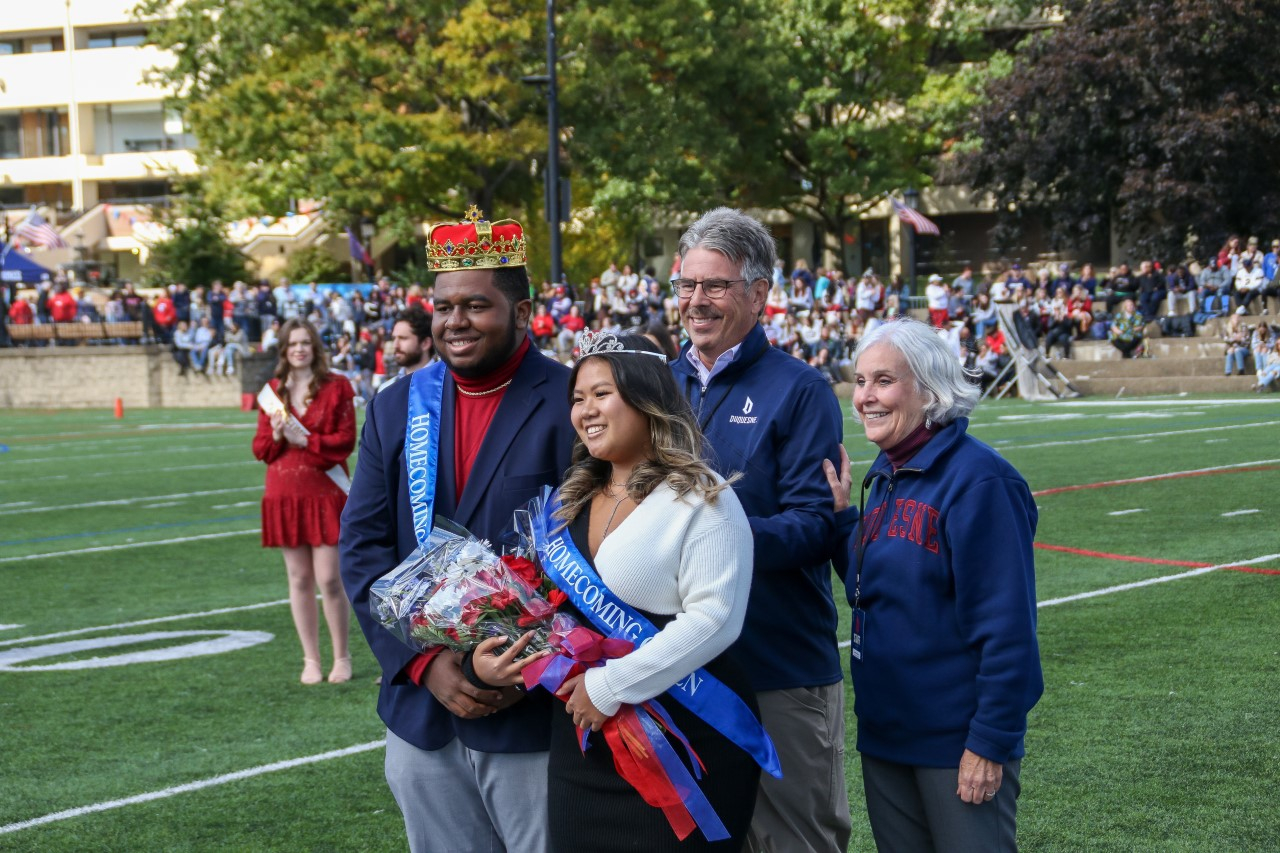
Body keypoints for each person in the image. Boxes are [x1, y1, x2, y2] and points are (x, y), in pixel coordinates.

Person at [340, 206, 576, 853]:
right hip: (423, 717)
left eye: (476, 305)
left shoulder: (573, 401)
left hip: (533, 715)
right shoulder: (396, 405)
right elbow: (361, 550)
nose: (454, 321)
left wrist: (516, 664)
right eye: (443, 306)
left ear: (523, 313)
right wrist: (422, 664)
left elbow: (599, 551)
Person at [473, 332, 761, 851]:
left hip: (684, 738)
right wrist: (501, 658)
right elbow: (545, 611)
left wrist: (610, 687)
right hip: (583, 742)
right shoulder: (566, 502)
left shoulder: (703, 498)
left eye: (601, 393)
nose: (586, 410)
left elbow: (716, 619)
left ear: (647, 397)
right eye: (578, 398)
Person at [823, 317, 1043, 853]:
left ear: (930, 388)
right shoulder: (889, 472)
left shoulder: (980, 481)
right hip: (887, 737)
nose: (865, 397)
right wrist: (843, 519)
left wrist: (989, 743)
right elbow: (867, 587)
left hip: (954, 744)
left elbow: (1007, 629)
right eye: (860, 381)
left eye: (883, 381)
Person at [669, 207, 850, 853]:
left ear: (757, 292)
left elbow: (812, 528)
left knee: (793, 841)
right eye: (687, 285)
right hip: (680, 667)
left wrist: (702, 538)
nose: (696, 300)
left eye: (714, 285)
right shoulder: (662, 386)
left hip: (776, 666)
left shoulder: (800, 390)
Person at [252, 319, 357, 685]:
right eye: (292, 343)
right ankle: (310, 659)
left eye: (305, 343)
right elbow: (261, 449)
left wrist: (305, 442)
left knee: (329, 579)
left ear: (315, 347)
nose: (299, 349)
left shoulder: (337, 387)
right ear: (283, 350)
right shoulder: (271, 392)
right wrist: (279, 435)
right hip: (284, 492)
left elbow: (344, 442)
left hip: (326, 491)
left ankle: (341, 656)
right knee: (298, 578)